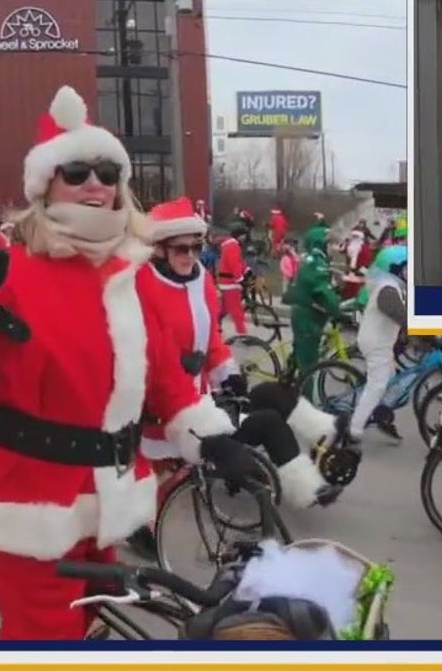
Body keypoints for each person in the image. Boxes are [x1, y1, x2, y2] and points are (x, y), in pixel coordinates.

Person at [0, 85, 258, 640]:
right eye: (77, 171)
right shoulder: (8, 272)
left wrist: (213, 440)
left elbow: (168, 384)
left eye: (108, 173)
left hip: (105, 502)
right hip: (24, 509)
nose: (96, 184)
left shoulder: (130, 277)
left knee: (94, 629)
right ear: (45, 183)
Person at [125, 198, 343, 558]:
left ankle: (316, 466)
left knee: (271, 401)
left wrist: (226, 371)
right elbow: (152, 359)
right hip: (160, 404)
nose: (191, 256)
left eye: (197, 247)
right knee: (154, 478)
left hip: (196, 397)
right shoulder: (144, 286)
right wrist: (187, 379)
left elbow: (211, 339)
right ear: (159, 249)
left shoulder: (201, 283)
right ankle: (140, 528)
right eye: (181, 249)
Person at [348, 245, 408, 443]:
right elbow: (401, 315)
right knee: (378, 385)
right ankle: (354, 429)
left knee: (391, 381)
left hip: (380, 340)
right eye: (406, 267)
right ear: (395, 269)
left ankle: (381, 415)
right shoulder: (388, 290)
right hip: (376, 343)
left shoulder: (391, 286)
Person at [283, 223, 344, 376]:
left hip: (305, 314)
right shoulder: (317, 263)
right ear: (321, 244)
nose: (334, 248)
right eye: (331, 243)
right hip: (308, 319)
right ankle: (306, 397)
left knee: (300, 352)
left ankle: (287, 381)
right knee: (309, 366)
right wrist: (338, 311)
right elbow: (323, 291)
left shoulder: (313, 260)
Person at [213, 225, 248, 334]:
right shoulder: (233, 246)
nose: (245, 237)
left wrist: (246, 269)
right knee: (237, 310)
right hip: (230, 283)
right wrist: (240, 279)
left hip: (225, 281)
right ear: (239, 235)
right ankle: (242, 333)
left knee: (224, 308)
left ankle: (215, 326)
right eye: (244, 235)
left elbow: (238, 262)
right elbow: (234, 264)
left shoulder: (230, 245)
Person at [339, 227, 373, 300]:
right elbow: (341, 250)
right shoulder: (355, 246)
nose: (353, 238)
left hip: (359, 270)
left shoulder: (357, 247)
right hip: (358, 270)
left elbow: (363, 263)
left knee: (355, 287)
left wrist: (354, 271)